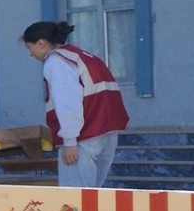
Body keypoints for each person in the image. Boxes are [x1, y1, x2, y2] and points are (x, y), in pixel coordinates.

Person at [23, 20, 129, 189]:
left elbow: (67, 101)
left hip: (83, 135)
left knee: (75, 196)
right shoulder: (83, 56)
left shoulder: (56, 62)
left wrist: (69, 140)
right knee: (93, 194)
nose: (30, 54)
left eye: (29, 47)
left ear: (41, 43)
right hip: (106, 131)